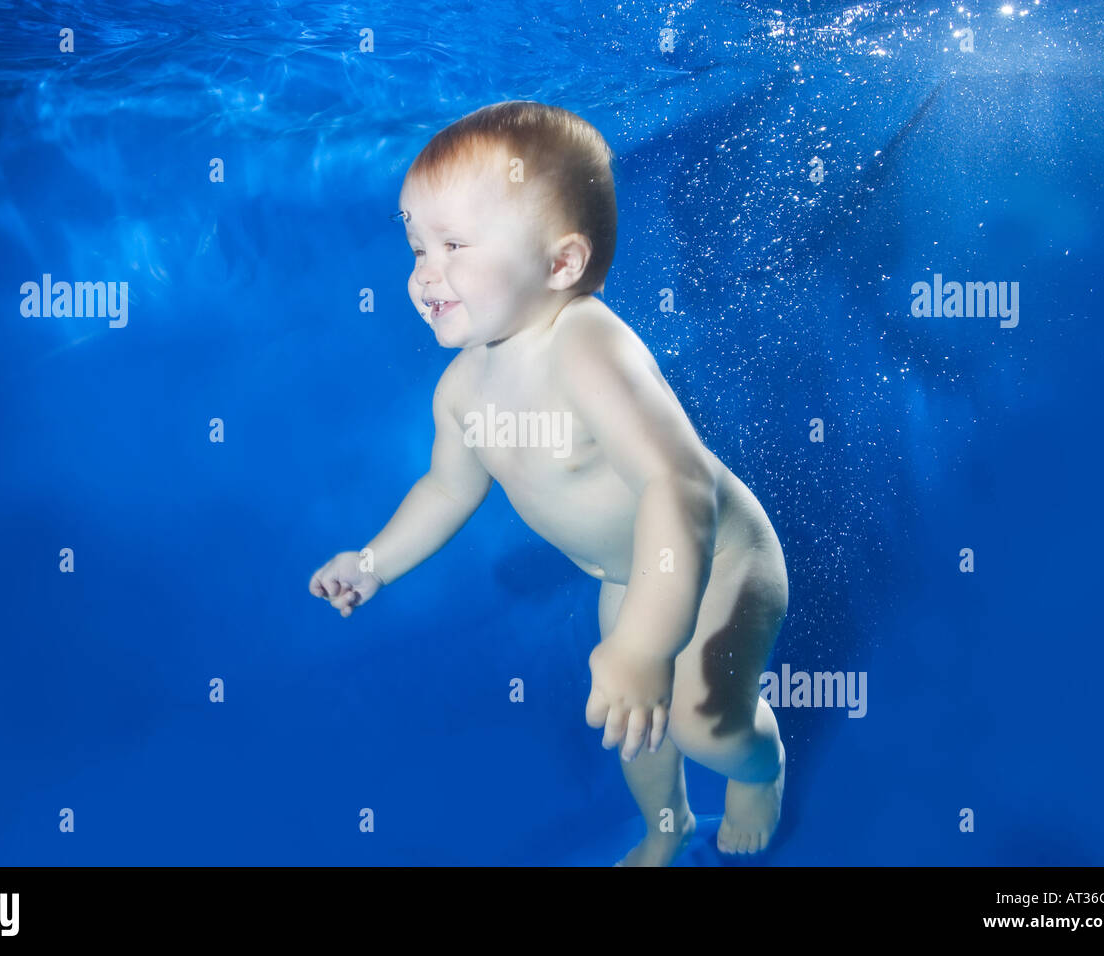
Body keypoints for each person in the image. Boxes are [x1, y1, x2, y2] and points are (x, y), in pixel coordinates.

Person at [310, 101, 790, 866]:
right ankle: (665, 826)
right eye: (417, 246)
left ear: (560, 264)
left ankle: (761, 768)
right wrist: (372, 563)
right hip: (629, 576)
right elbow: (445, 490)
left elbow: (678, 486)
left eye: (455, 245)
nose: (424, 274)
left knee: (706, 723)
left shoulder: (586, 344)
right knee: (634, 722)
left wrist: (643, 642)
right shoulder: (462, 390)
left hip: (720, 563)